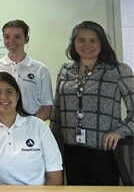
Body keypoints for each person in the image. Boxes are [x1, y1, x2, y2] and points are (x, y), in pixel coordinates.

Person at [51, 21, 134, 186]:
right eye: (81, 40)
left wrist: (119, 131)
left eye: (93, 40)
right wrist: (52, 144)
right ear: (74, 44)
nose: (86, 45)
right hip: (70, 150)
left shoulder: (118, 70)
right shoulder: (65, 70)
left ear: (102, 43)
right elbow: (57, 111)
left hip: (104, 150)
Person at [0, 72, 63, 185]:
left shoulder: (39, 126)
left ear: (18, 95)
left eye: (9, 92)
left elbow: (55, 176)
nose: (4, 97)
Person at [0, 20, 53, 119]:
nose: (11, 42)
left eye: (17, 37)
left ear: (26, 39)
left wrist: (31, 127)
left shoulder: (40, 69)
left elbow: (46, 106)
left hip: (30, 127)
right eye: (7, 37)